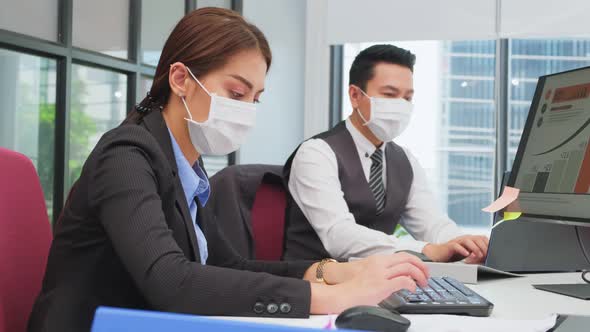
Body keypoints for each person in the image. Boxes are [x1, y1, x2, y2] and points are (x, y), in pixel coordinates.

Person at [27, 9, 429, 332]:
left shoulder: (186, 165)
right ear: (181, 79)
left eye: (255, 98)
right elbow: (170, 280)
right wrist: (331, 298)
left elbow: (228, 265)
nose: (246, 109)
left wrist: (334, 272)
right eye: (236, 93)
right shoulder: (126, 155)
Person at [283, 44, 489, 263]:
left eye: (407, 98)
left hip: (378, 285)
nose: (400, 106)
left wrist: (462, 243)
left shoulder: (405, 161)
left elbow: (432, 224)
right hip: (315, 284)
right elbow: (338, 235)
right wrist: (426, 250)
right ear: (355, 95)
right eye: (389, 95)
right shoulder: (316, 154)